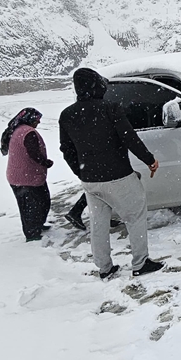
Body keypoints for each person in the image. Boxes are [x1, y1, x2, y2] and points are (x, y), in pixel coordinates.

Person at [58, 67, 163, 280]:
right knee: (135, 216)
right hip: (119, 176)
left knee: (98, 223)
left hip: (90, 181)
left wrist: (81, 173)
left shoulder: (67, 115)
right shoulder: (110, 108)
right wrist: (149, 160)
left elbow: (66, 150)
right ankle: (140, 263)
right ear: (96, 85)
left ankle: (104, 268)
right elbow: (129, 138)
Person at [0, 107, 53, 241]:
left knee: (39, 202)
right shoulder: (28, 132)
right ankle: (32, 234)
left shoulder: (19, 129)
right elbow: (34, 153)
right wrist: (45, 162)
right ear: (30, 119)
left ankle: (37, 225)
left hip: (21, 176)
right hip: (25, 177)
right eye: (37, 120)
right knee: (32, 206)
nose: (38, 123)